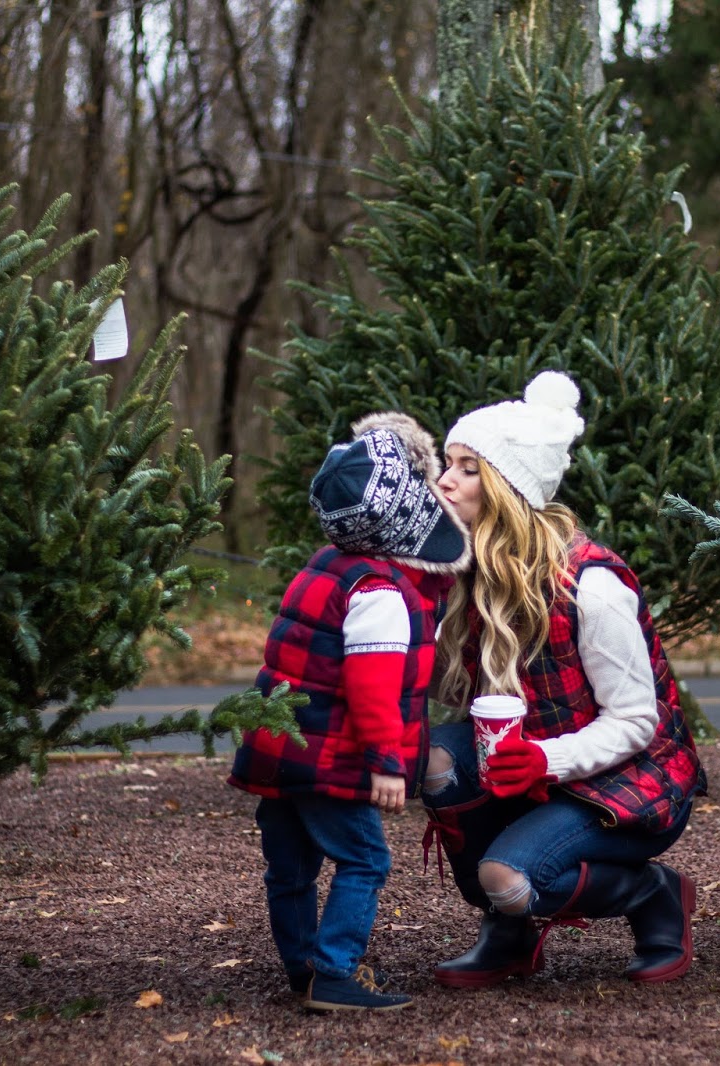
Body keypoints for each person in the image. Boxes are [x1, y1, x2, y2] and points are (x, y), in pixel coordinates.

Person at [421, 370, 706, 988]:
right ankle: (510, 933)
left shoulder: (591, 589)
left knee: (511, 877)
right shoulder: (468, 573)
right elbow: (439, 686)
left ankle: (654, 895)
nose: (446, 480)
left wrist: (543, 761)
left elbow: (636, 722)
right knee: (436, 761)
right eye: (449, 462)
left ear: (507, 487)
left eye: (468, 467)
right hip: (529, 762)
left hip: (624, 780)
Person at [229, 411, 470, 1012]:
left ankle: (302, 966)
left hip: (281, 749)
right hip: (332, 756)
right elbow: (371, 688)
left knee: (290, 868)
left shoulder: (326, 565)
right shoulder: (381, 594)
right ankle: (335, 972)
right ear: (404, 516)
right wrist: (387, 762)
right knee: (365, 859)